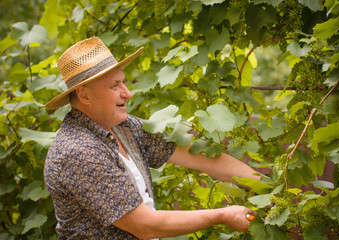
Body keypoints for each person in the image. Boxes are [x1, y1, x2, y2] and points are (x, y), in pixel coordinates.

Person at [44, 36, 260, 240]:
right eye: (114, 86)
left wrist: (267, 186)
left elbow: (201, 157)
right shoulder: (77, 151)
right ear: (84, 95)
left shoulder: (123, 127)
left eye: (124, 83)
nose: (127, 93)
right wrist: (221, 215)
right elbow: (144, 225)